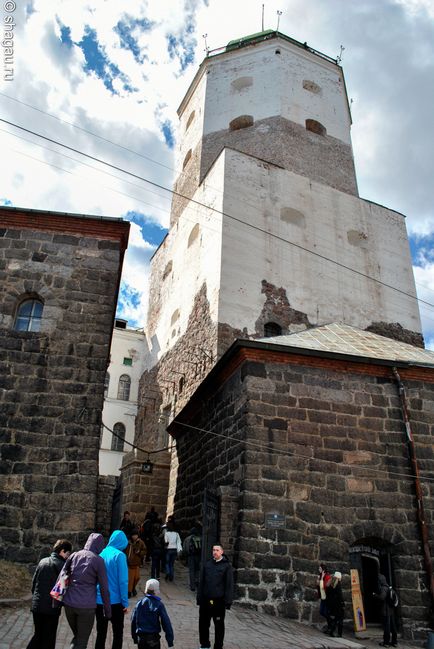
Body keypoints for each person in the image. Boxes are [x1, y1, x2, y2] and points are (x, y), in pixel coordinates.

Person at [62, 533, 111, 649]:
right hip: (86, 606)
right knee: (82, 640)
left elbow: (61, 578)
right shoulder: (98, 561)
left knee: (78, 637)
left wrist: (57, 601)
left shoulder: (74, 555)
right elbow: (104, 589)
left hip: (69, 604)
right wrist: (108, 611)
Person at [26, 538, 72, 649]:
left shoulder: (42, 561)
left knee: (38, 635)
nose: (68, 556)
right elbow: (63, 590)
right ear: (62, 551)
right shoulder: (63, 567)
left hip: (37, 606)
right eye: (68, 553)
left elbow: (34, 584)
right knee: (49, 637)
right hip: (52, 608)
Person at [95, 529, 129, 649]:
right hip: (116, 602)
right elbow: (123, 582)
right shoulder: (120, 555)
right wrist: (125, 602)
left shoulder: (101, 553)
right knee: (117, 634)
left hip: (100, 600)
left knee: (101, 633)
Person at [197, 544, 233, 649]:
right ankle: (204, 644)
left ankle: (218, 646)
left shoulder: (226, 566)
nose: (215, 552)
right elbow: (201, 582)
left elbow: (229, 584)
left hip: (218, 602)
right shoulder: (207, 564)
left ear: (222, 552)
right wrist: (199, 598)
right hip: (206, 600)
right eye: (213, 550)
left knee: (219, 625)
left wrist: (228, 601)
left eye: (217, 550)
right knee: (203, 624)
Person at [131, 578, 174, 649]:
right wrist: (170, 641)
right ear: (156, 591)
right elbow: (166, 623)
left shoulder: (139, 603)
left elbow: (133, 621)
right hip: (154, 639)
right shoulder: (159, 604)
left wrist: (135, 638)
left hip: (141, 639)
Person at [373, 574, 398, 647]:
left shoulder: (384, 588)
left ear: (380, 581)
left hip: (386, 610)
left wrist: (375, 595)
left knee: (387, 627)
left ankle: (386, 643)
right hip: (391, 610)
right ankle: (394, 642)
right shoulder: (389, 587)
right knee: (393, 627)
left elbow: (382, 598)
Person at [127, 529, 146, 597]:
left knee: (137, 578)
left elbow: (144, 550)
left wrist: (139, 553)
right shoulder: (128, 543)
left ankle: (133, 588)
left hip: (137, 563)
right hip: (129, 564)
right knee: (130, 579)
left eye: (136, 535)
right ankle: (129, 592)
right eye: (134, 535)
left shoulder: (140, 542)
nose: (135, 536)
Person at [325, 571, 345, 638]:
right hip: (338, 605)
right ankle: (339, 634)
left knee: (336, 618)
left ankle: (331, 630)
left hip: (332, 604)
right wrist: (343, 604)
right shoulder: (338, 584)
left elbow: (327, 594)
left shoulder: (330, 583)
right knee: (340, 619)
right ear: (339, 578)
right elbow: (340, 596)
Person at [183, 526, 202, 591]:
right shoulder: (200, 538)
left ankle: (192, 586)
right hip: (198, 556)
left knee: (192, 571)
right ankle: (197, 582)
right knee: (197, 570)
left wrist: (185, 557)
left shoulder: (187, 539)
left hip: (191, 556)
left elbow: (185, 549)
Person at [317, 563, 332, 632]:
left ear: (323, 570)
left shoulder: (327, 577)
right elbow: (318, 586)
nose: (318, 570)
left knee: (326, 612)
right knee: (321, 612)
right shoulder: (320, 576)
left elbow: (324, 586)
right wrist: (320, 579)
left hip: (327, 597)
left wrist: (322, 578)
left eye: (320, 569)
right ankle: (330, 624)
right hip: (323, 597)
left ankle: (330, 625)